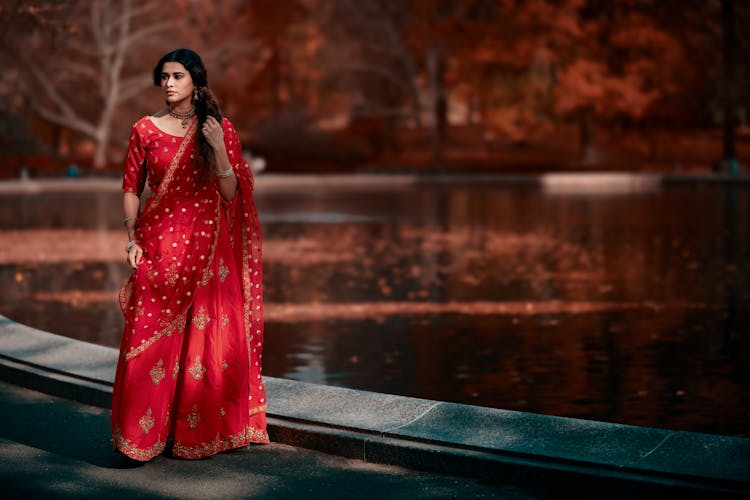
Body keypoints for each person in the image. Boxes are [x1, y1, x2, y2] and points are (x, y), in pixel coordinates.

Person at [111, 48, 268, 461]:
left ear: (195, 81)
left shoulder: (218, 130)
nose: (168, 83)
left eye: (177, 76)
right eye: (163, 76)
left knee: (202, 343)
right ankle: (140, 437)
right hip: (158, 246)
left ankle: (192, 433)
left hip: (207, 253)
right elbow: (131, 187)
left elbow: (230, 194)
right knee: (148, 338)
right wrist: (132, 240)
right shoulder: (144, 129)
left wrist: (217, 146)